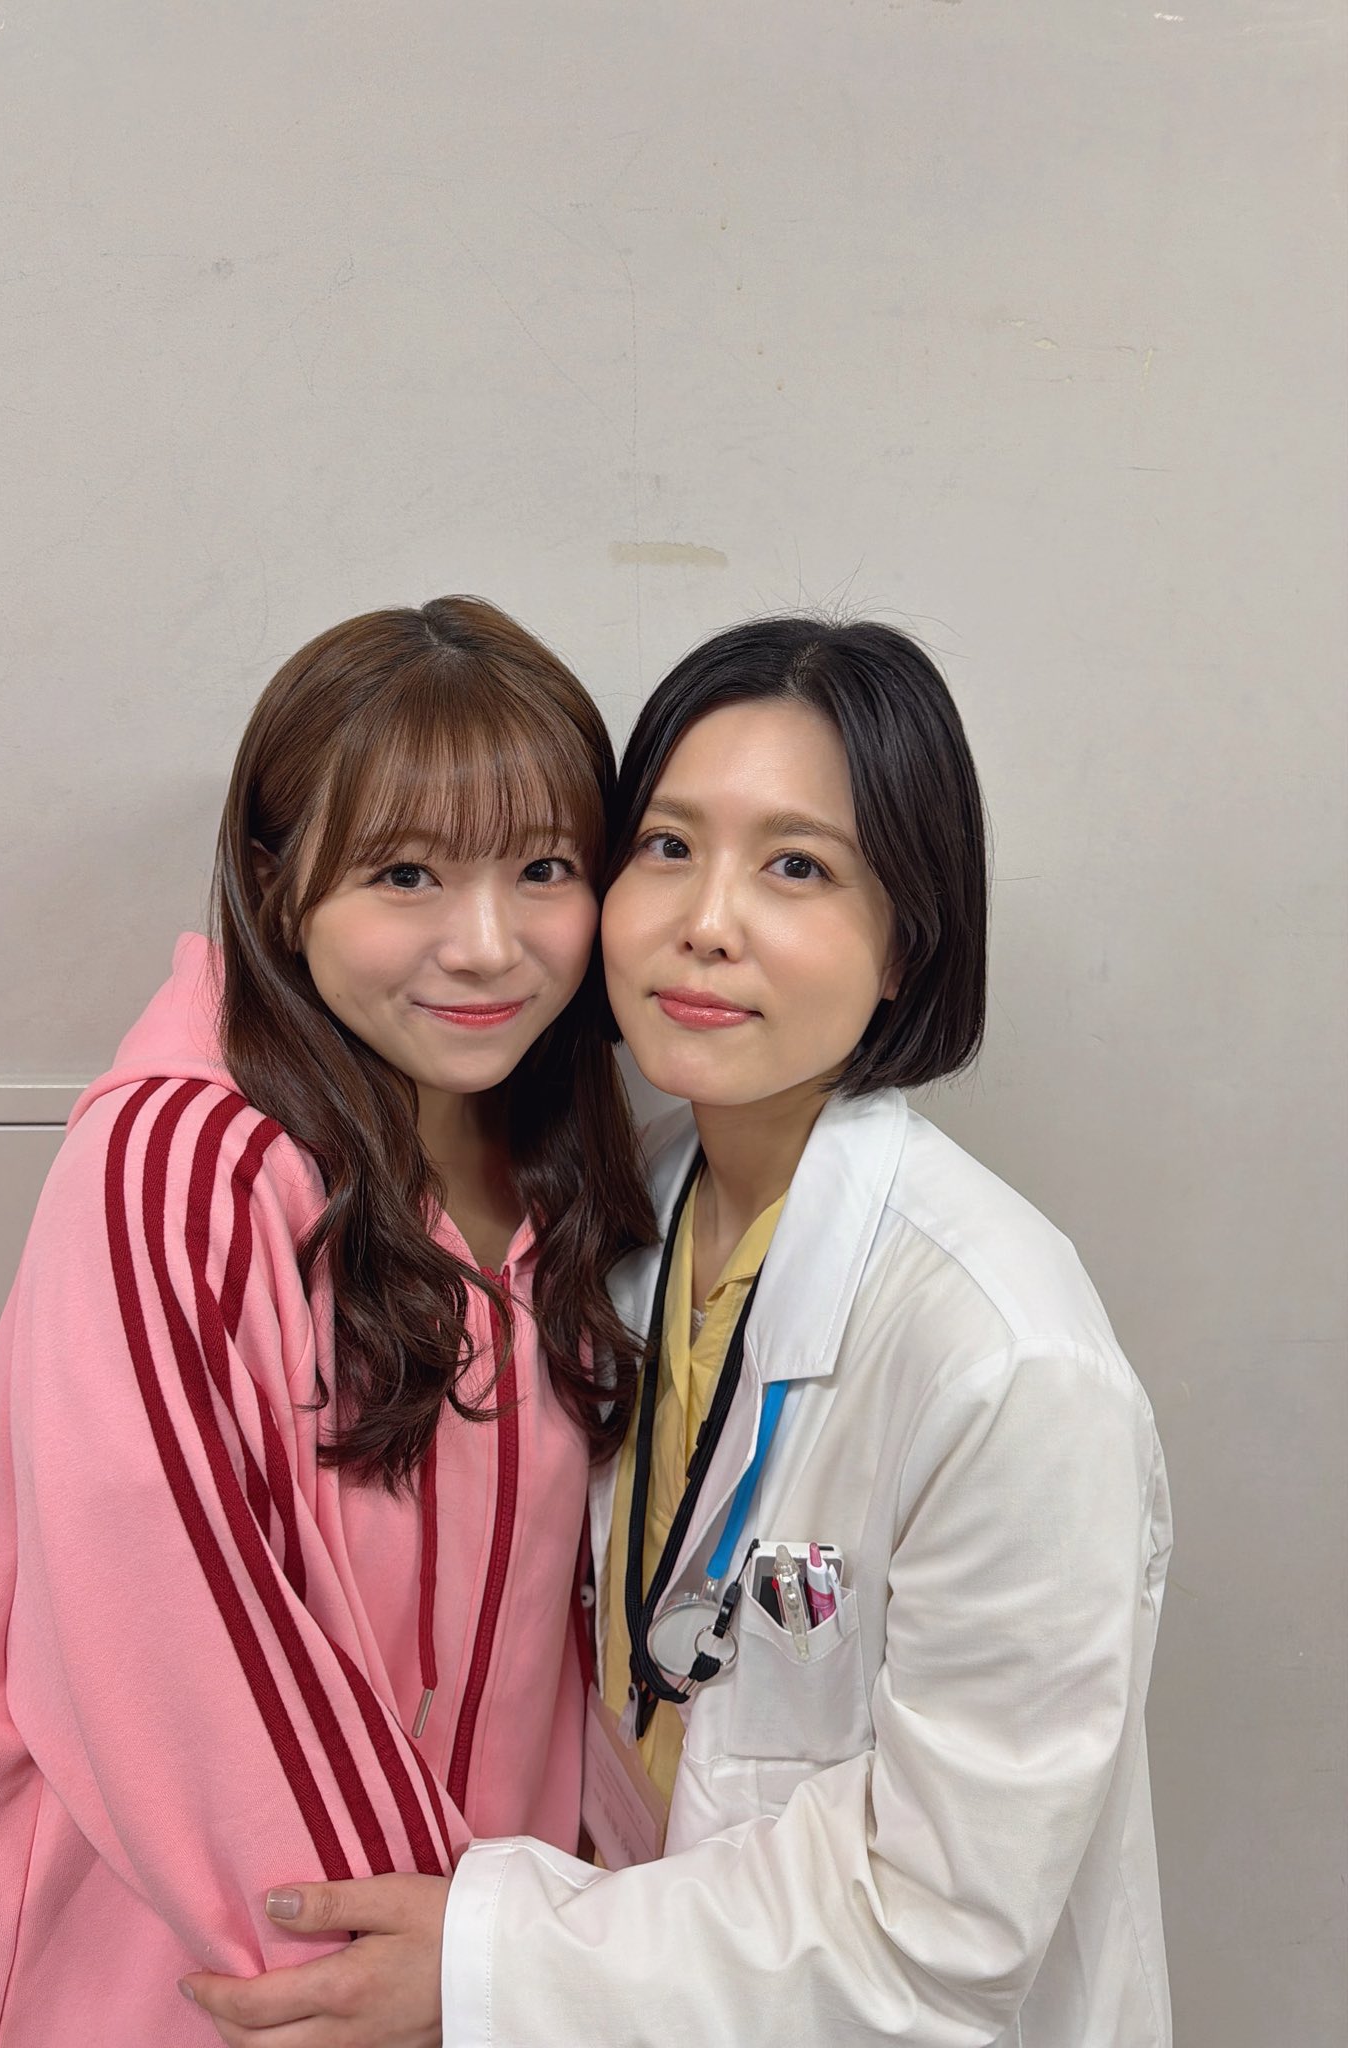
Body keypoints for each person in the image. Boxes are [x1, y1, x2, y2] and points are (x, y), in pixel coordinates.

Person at [187, 617, 1172, 2047]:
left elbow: (947, 1936)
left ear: (908, 942)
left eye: (797, 866)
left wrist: (492, 1965)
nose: (707, 921)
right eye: (665, 846)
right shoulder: (625, 1217)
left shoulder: (1008, 1356)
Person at [0, 596, 655, 2047]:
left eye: (544, 869)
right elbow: (172, 1633)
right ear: (276, 888)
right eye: (405, 874)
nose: (487, 945)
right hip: (216, 1988)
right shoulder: (181, 1167)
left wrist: (552, 1954)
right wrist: (448, 1963)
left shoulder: (562, 1164)